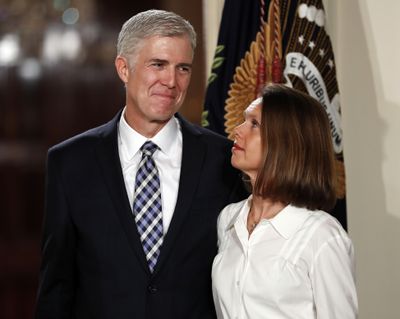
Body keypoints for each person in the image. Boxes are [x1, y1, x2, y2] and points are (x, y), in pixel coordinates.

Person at [35, 9, 247, 319]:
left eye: (183, 68)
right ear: (124, 68)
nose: (171, 81)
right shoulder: (70, 163)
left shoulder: (224, 160)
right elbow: (56, 287)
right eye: (158, 65)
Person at [212, 84, 358, 319]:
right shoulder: (229, 219)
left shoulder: (322, 237)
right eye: (244, 120)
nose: (237, 130)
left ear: (286, 143)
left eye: (254, 124)